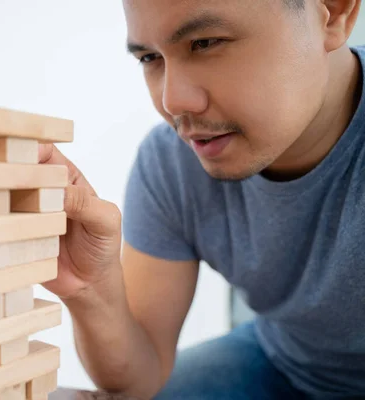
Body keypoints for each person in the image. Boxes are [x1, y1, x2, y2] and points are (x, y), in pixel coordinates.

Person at [38, 0, 365, 399]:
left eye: (205, 42)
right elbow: (139, 380)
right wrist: (89, 287)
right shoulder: (171, 163)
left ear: (333, 12)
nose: (172, 102)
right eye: (150, 57)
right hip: (282, 358)